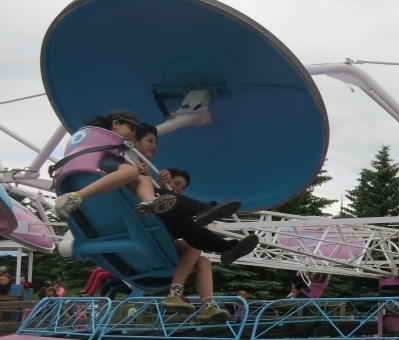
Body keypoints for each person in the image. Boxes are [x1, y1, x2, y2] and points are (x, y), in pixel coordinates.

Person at [130, 125, 257, 265]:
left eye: (155, 143)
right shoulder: (127, 160)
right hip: (135, 208)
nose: (154, 146)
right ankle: (205, 209)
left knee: (185, 222)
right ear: (134, 141)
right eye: (150, 141)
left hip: (159, 222)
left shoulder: (143, 171)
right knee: (166, 199)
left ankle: (227, 248)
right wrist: (159, 183)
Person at [52, 110, 176, 220]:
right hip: (95, 163)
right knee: (131, 171)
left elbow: (125, 158)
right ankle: (75, 197)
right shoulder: (103, 137)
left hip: (106, 165)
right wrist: (134, 167)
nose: (133, 134)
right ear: (116, 124)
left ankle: (149, 202)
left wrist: (138, 165)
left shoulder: (120, 145)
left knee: (145, 178)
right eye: (131, 128)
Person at [159, 243, 231, 322]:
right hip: (154, 261)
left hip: (158, 265)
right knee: (195, 245)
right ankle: (174, 293)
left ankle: (208, 305)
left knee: (204, 261)